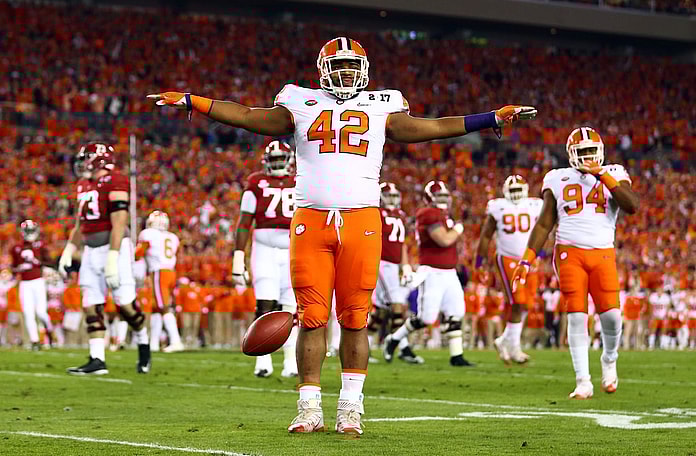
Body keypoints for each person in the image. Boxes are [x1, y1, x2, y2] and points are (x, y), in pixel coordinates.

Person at [149, 36, 535, 434]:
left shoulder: (382, 105)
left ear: (364, 71)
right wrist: (194, 100)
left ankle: (351, 406)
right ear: (323, 70)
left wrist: (490, 118)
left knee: (355, 319)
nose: (347, 73)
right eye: (340, 67)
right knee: (312, 318)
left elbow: (434, 127)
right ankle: (309, 406)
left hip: (362, 221)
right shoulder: (299, 101)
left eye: (353, 67)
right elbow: (247, 115)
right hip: (311, 221)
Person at [511, 126, 639, 399]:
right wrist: (527, 259)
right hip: (569, 252)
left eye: (592, 151)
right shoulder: (557, 178)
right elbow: (545, 223)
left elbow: (632, 206)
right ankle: (583, 380)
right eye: (582, 152)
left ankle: (609, 358)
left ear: (601, 151)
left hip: (603, 252)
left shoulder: (614, 172)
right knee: (576, 315)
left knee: (613, 317)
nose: (588, 157)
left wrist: (603, 177)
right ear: (571, 154)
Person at [58, 143, 151, 375]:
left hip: (115, 247)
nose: (81, 163)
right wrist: (69, 248)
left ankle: (143, 340)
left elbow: (119, 221)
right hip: (90, 249)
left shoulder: (116, 180)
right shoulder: (83, 185)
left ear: (98, 159)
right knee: (90, 303)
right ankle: (97, 359)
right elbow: (81, 223)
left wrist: (113, 255)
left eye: (86, 158)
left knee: (125, 306)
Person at [384, 180, 474, 367]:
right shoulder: (428, 213)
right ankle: (393, 339)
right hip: (432, 272)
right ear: (429, 198)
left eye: (445, 196)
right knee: (426, 318)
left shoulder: (442, 214)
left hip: (449, 272)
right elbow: (443, 240)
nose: (443, 200)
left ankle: (456, 355)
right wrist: (457, 229)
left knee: (456, 312)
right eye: (439, 196)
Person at [233, 140, 298, 378]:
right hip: (264, 247)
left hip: (293, 248)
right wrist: (238, 256)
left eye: (282, 159)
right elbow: (244, 221)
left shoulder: (299, 182)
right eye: (275, 160)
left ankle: (291, 360)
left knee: (291, 308)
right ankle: (262, 359)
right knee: (265, 304)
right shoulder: (256, 182)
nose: (279, 164)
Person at [474, 175, 543, 364]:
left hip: (529, 260)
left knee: (526, 304)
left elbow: (544, 228)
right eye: (512, 191)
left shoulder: (535, 205)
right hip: (507, 258)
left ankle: (506, 341)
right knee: (517, 302)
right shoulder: (498, 207)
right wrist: (479, 262)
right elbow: (486, 237)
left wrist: (541, 252)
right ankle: (512, 346)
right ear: (505, 192)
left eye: (518, 190)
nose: (515, 194)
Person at [369, 182, 422, 364]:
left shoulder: (400, 215)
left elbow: (402, 245)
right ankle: (402, 346)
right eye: (388, 196)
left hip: (394, 265)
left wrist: (405, 266)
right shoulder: (376, 214)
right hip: (381, 263)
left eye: (394, 196)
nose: (391, 200)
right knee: (397, 304)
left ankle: (364, 345)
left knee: (382, 311)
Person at [136, 210, 185, 353]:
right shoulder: (173, 237)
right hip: (171, 272)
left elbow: (139, 253)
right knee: (157, 307)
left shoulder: (148, 234)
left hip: (159, 272)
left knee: (163, 307)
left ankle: (176, 341)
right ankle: (154, 343)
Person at [10, 220, 54, 350]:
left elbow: (50, 262)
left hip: (38, 281)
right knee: (28, 313)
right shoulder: (16, 248)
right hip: (25, 283)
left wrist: (36, 262)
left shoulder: (40, 245)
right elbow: (13, 268)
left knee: (41, 312)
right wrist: (20, 268)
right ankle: (35, 341)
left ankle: (49, 332)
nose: (30, 233)